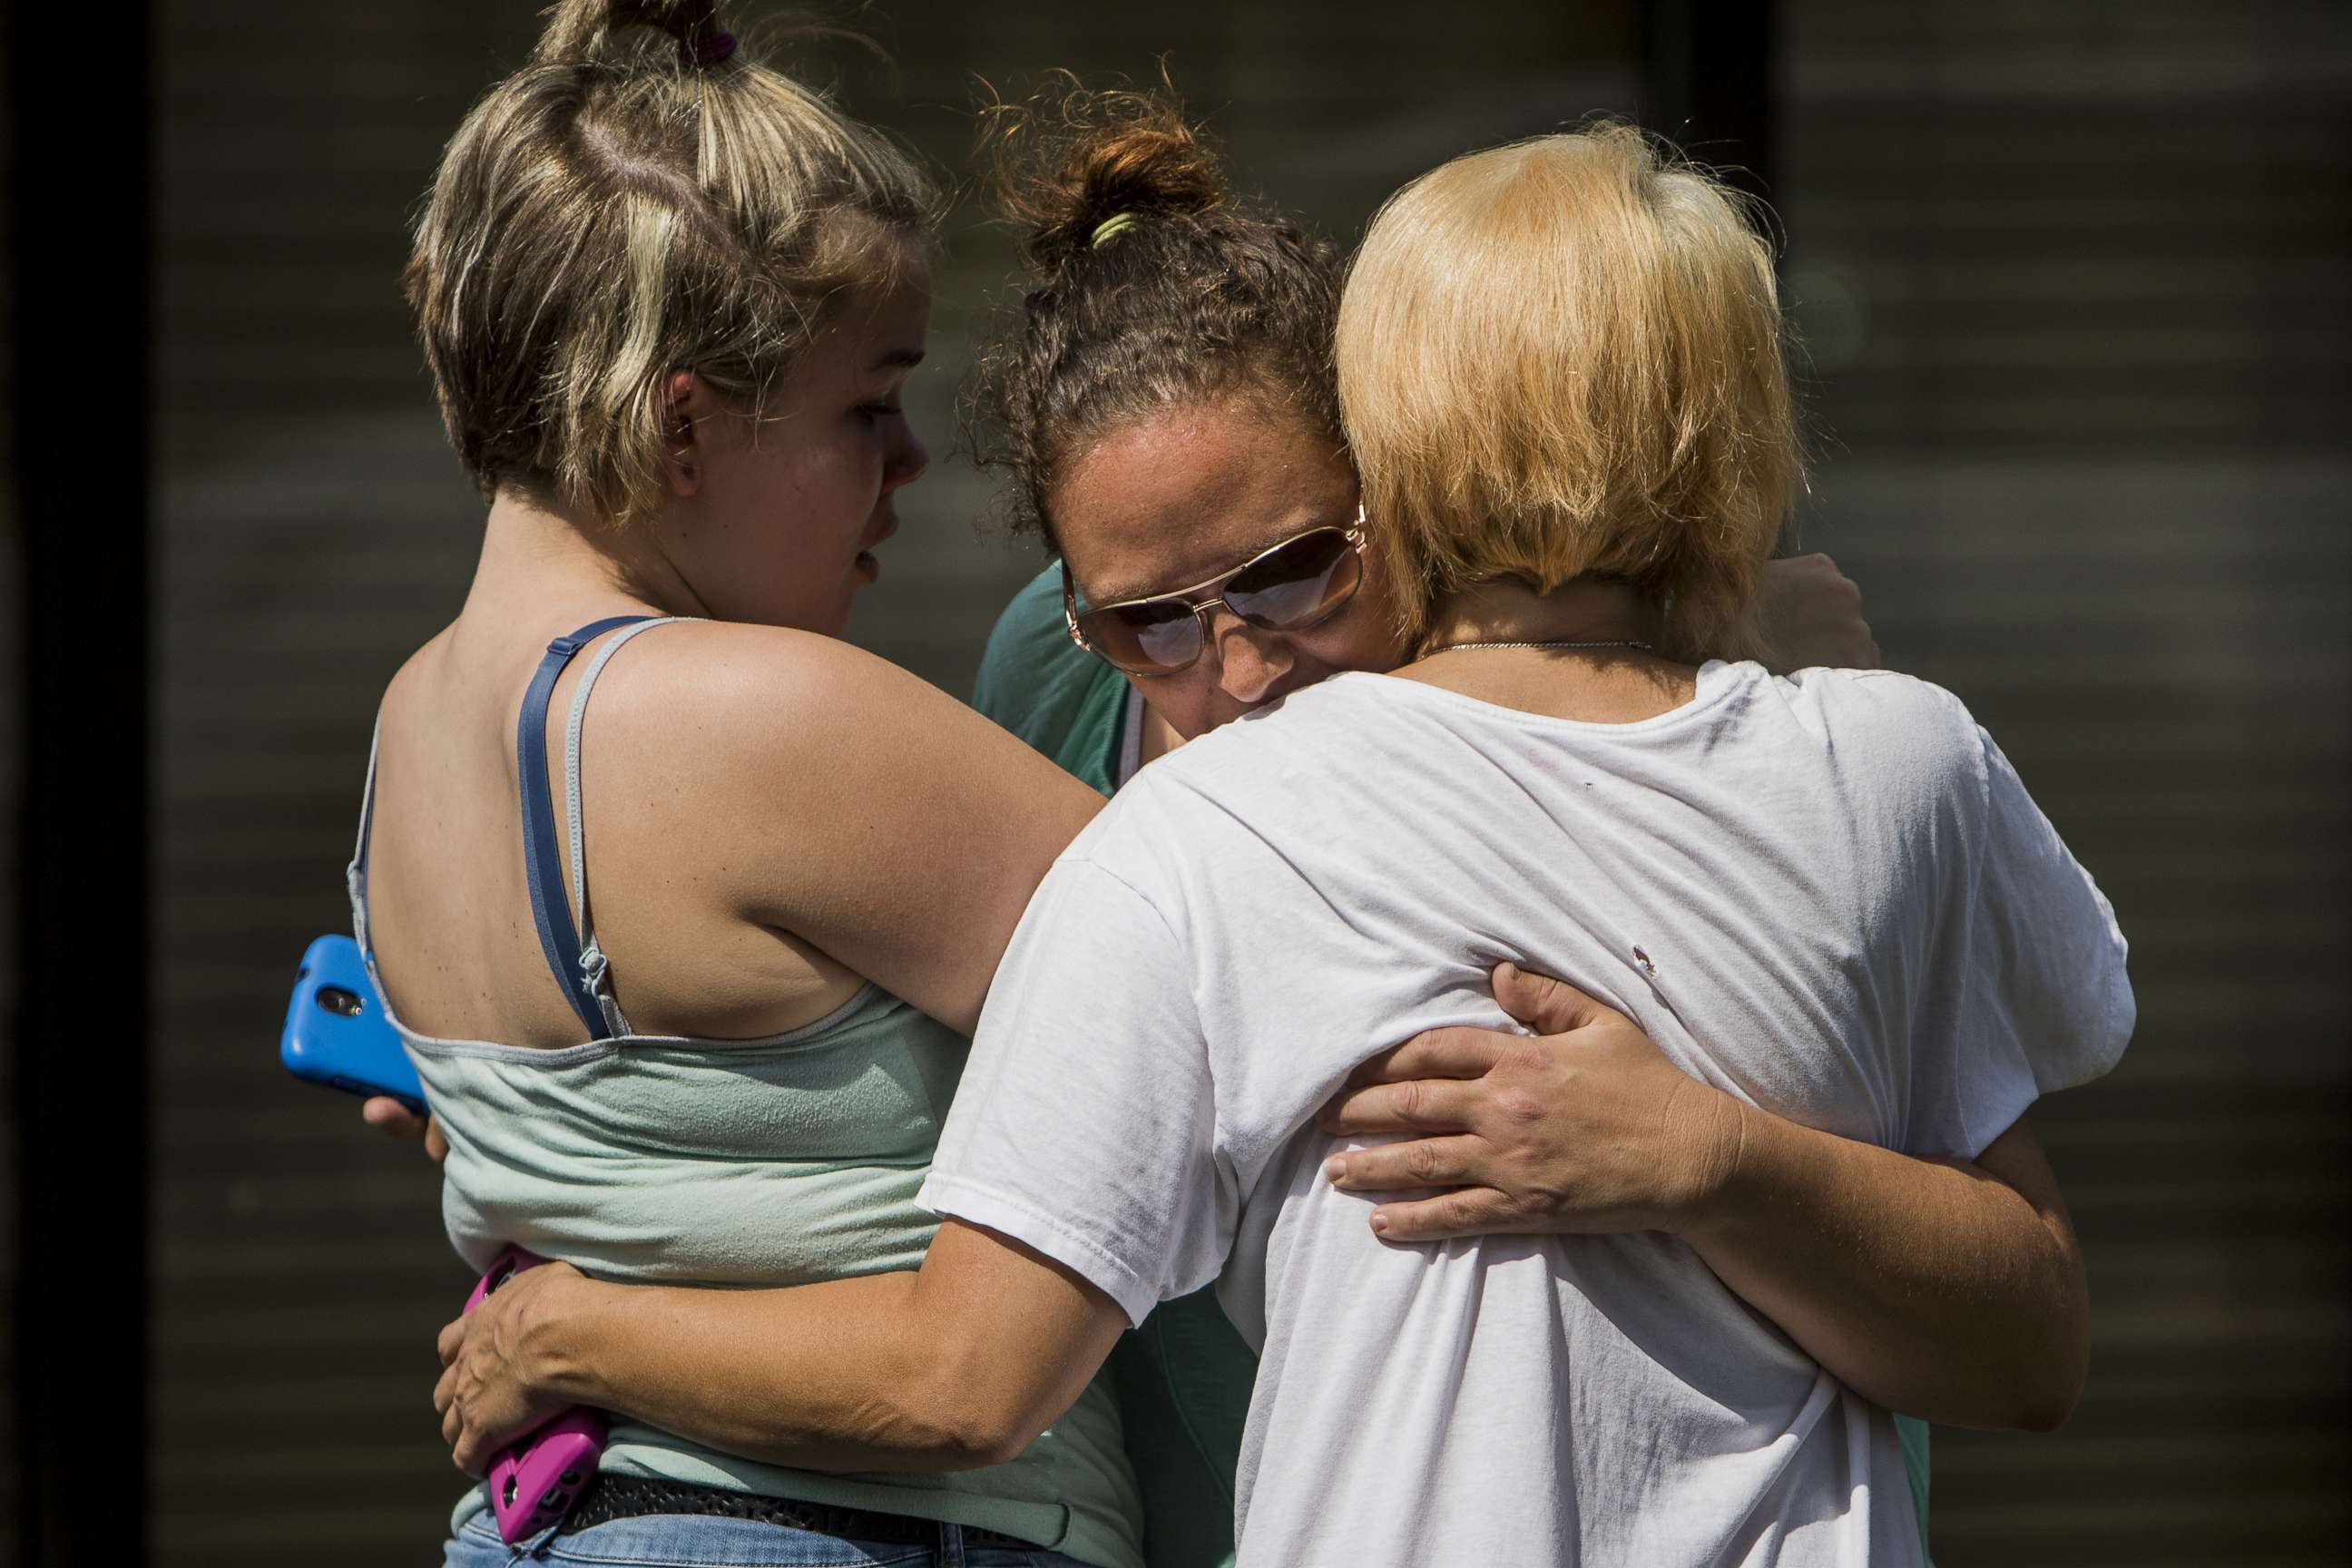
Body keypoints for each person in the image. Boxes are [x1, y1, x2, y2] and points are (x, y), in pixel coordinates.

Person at [430, 108, 2129, 1567]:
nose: (1235, 671)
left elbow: (2028, 1331)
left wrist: (1702, 1150)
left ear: (1422, 482)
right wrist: (591, 1096)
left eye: (1299, 570)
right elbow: (1005, 1068)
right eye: (1149, 620)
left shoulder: (1826, 749)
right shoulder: (1106, 732)